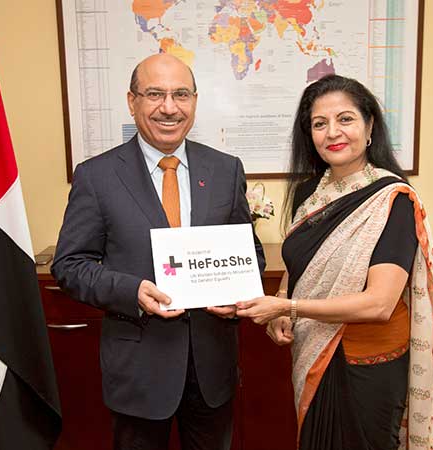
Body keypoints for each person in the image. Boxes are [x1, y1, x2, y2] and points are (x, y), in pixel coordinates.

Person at [52, 53, 265, 450]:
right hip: (139, 371)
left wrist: (236, 293)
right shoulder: (96, 176)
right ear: (132, 102)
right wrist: (131, 291)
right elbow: (70, 265)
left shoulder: (225, 169)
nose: (169, 107)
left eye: (180, 94)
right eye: (155, 94)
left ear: (195, 102)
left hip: (212, 368)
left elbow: (249, 251)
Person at [235, 75, 433, 450]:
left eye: (345, 119)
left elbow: (380, 304)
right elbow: (299, 263)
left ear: (369, 127)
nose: (332, 132)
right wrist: (285, 303)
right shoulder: (310, 193)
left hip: (366, 363)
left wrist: (288, 306)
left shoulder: (393, 200)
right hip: (313, 352)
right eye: (320, 124)